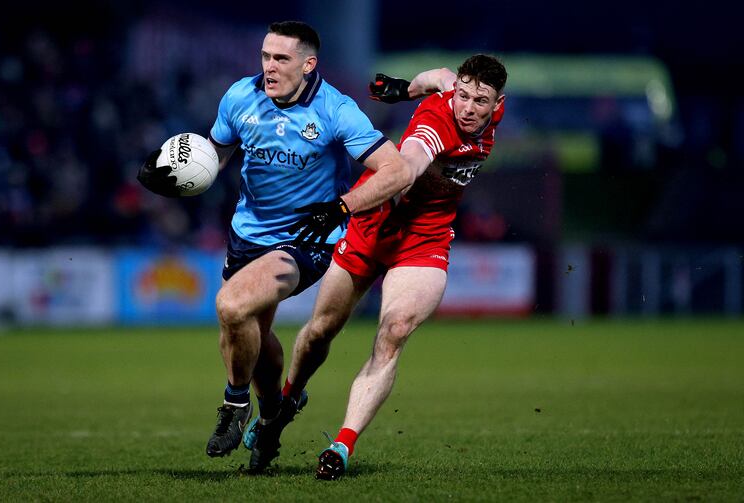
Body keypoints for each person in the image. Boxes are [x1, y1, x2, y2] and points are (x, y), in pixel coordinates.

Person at [136, 21, 414, 472]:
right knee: (251, 334)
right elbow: (214, 156)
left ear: (308, 65)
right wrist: (174, 175)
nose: (269, 66)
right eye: (265, 56)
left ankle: (235, 404)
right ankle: (272, 416)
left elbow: (397, 170)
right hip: (247, 235)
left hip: (305, 238)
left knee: (231, 306)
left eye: (281, 58)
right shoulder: (239, 97)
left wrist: (342, 207)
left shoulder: (335, 110)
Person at [282, 54, 507, 480]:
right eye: (462, 96)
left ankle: (341, 445)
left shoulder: (462, 90)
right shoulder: (435, 127)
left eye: (479, 101)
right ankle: (288, 398)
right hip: (373, 223)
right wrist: (342, 208)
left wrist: (404, 89)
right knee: (321, 330)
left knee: (395, 331)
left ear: (498, 104)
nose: (467, 108)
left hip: (425, 237)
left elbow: (439, 75)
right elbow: (404, 171)